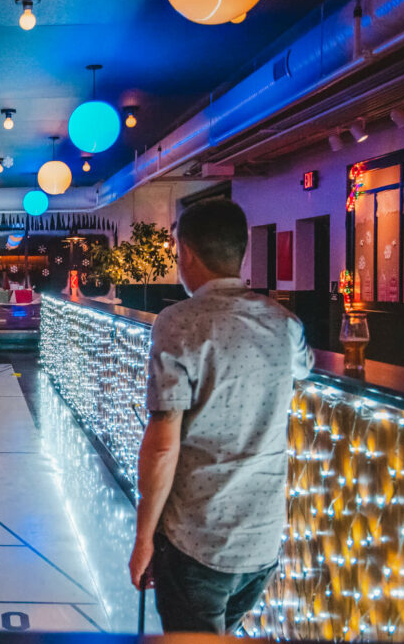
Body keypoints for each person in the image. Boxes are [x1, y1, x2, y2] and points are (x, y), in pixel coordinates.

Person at [128, 199, 314, 634]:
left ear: (186, 253)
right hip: (263, 542)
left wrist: (142, 539)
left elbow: (162, 445)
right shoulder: (283, 322)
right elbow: (305, 366)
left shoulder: (177, 323)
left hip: (197, 539)